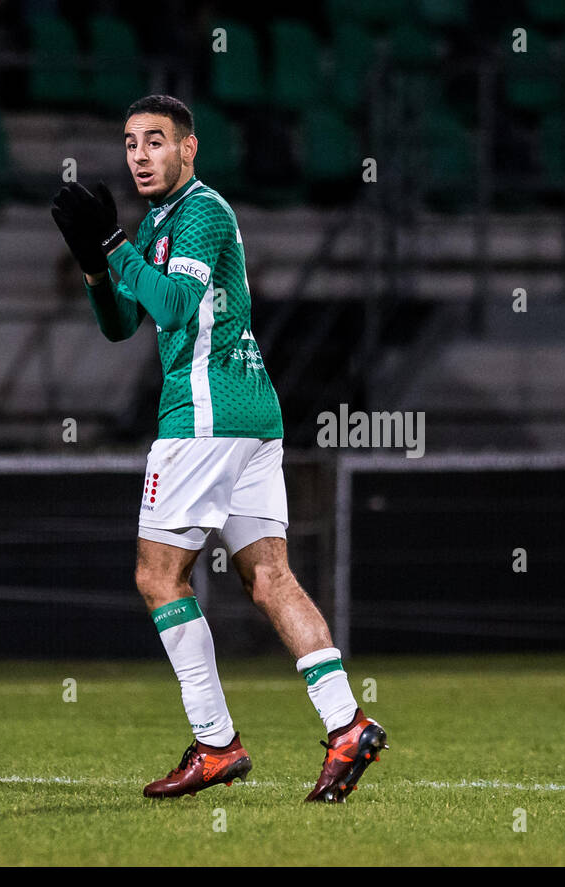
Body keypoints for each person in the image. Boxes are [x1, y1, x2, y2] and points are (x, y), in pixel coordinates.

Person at [49, 94, 386, 802]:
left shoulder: (203, 211)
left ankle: (216, 743)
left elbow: (173, 308)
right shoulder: (160, 221)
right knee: (269, 578)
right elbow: (121, 326)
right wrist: (93, 265)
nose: (140, 155)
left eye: (156, 141)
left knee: (157, 578)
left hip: (204, 416)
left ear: (188, 149)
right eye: (132, 142)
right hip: (250, 417)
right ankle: (347, 724)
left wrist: (115, 247)